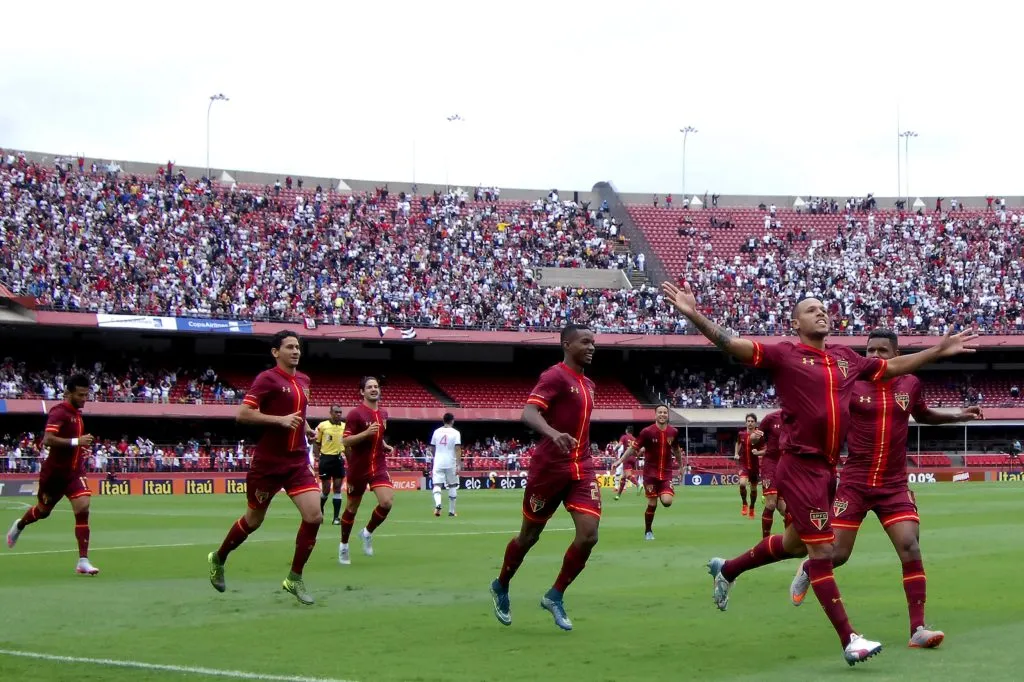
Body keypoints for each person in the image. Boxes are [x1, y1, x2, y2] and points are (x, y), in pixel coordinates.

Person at [661, 281, 977, 665]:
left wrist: (937, 351)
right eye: (812, 310)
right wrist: (695, 315)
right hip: (801, 465)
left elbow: (893, 367)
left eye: (824, 307)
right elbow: (733, 345)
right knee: (823, 551)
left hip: (828, 470)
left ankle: (728, 568)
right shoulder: (784, 355)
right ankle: (850, 639)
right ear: (795, 323)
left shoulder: (846, 360)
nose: (821, 312)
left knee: (796, 544)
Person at [789, 329, 983, 649]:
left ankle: (917, 629)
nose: (875, 356)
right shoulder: (849, 385)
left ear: (897, 354)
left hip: (893, 485)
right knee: (837, 554)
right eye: (870, 350)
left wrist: (958, 414)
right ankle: (810, 567)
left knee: (910, 546)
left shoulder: (910, 384)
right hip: (854, 483)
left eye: (882, 350)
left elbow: (923, 415)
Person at [489, 324, 601, 631]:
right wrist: (553, 433)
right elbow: (528, 413)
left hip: (582, 468)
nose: (592, 346)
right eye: (585, 342)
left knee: (589, 534)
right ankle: (501, 584)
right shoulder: (554, 376)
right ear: (566, 344)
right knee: (529, 537)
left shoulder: (589, 384)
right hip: (549, 470)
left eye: (594, 342)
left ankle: (555, 595)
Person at [207, 330, 322, 605]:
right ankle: (219, 557)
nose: (296, 351)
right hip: (268, 464)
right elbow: (243, 414)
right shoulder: (266, 379)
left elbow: (299, 414)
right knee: (253, 521)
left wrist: (306, 429)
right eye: (290, 347)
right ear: (275, 352)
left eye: (298, 347)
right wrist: (279, 421)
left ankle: (294, 578)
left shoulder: (304, 380)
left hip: (296, 462)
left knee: (314, 516)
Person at [6, 374, 100, 575]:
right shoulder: (59, 412)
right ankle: (20, 524)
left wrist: (80, 448)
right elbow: (48, 439)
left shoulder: (76, 413)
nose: (85, 398)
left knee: (83, 505)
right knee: (42, 512)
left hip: (74, 473)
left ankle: (83, 560)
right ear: (68, 393)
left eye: (86, 394)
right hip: (54, 476)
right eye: (81, 395)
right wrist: (77, 442)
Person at [339, 377, 395, 565]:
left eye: (376, 386)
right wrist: (366, 434)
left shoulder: (384, 413)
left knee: (386, 502)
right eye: (369, 387)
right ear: (362, 392)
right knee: (352, 508)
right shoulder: (355, 414)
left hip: (378, 464)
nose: (373, 389)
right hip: (359, 467)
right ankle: (344, 546)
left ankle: (367, 532)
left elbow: (377, 436)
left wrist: (384, 445)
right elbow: (346, 441)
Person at [611, 405, 681, 540]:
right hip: (650, 474)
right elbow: (632, 449)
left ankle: (662, 492)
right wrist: (619, 461)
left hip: (666, 473)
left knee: (667, 502)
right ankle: (648, 531)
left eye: (665, 412)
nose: (662, 414)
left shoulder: (673, 432)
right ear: (655, 415)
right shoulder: (647, 432)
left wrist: (681, 466)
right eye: (660, 412)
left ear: (668, 415)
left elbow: (676, 450)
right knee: (652, 504)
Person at [313, 405, 347, 525]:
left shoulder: (344, 426)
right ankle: (320, 511)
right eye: (336, 412)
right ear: (331, 413)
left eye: (340, 412)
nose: (338, 414)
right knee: (326, 489)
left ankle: (336, 518)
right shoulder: (322, 426)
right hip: (326, 459)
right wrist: (318, 457)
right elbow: (316, 442)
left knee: (337, 488)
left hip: (339, 459)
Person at [756, 410, 786, 537]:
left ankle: (792, 541)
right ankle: (765, 540)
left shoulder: (799, 418)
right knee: (771, 503)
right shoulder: (770, 418)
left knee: (785, 509)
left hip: (786, 466)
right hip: (770, 464)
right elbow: (757, 440)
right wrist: (754, 440)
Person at [429, 413, 462, 517]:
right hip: (450, 462)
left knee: (437, 484)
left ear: (443, 420)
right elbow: (457, 449)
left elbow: (432, 448)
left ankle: (438, 504)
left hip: (438, 461)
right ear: (452, 420)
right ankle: (451, 511)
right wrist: (458, 464)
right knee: (452, 485)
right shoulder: (456, 433)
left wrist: (436, 457)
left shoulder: (436, 432)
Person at [735, 413, 761, 519]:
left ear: (755, 423)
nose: (750, 423)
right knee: (742, 484)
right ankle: (744, 504)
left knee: (754, 489)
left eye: (752, 421)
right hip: (743, 463)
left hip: (754, 465)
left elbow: (764, 446)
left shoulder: (759, 435)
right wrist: (736, 453)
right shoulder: (741, 434)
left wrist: (759, 452)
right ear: (746, 422)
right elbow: (737, 443)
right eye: (748, 421)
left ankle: (752, 507)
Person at [613, 426, 638, 500]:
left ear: (626, 430)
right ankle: (618, 495)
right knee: (623, 477)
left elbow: (619, 445)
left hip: (626, 457)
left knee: (627, 475)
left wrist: (615, 449)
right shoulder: (635, 439)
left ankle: (638, 485)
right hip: (633, 458)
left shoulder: (624, 437)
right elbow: (637, 450)